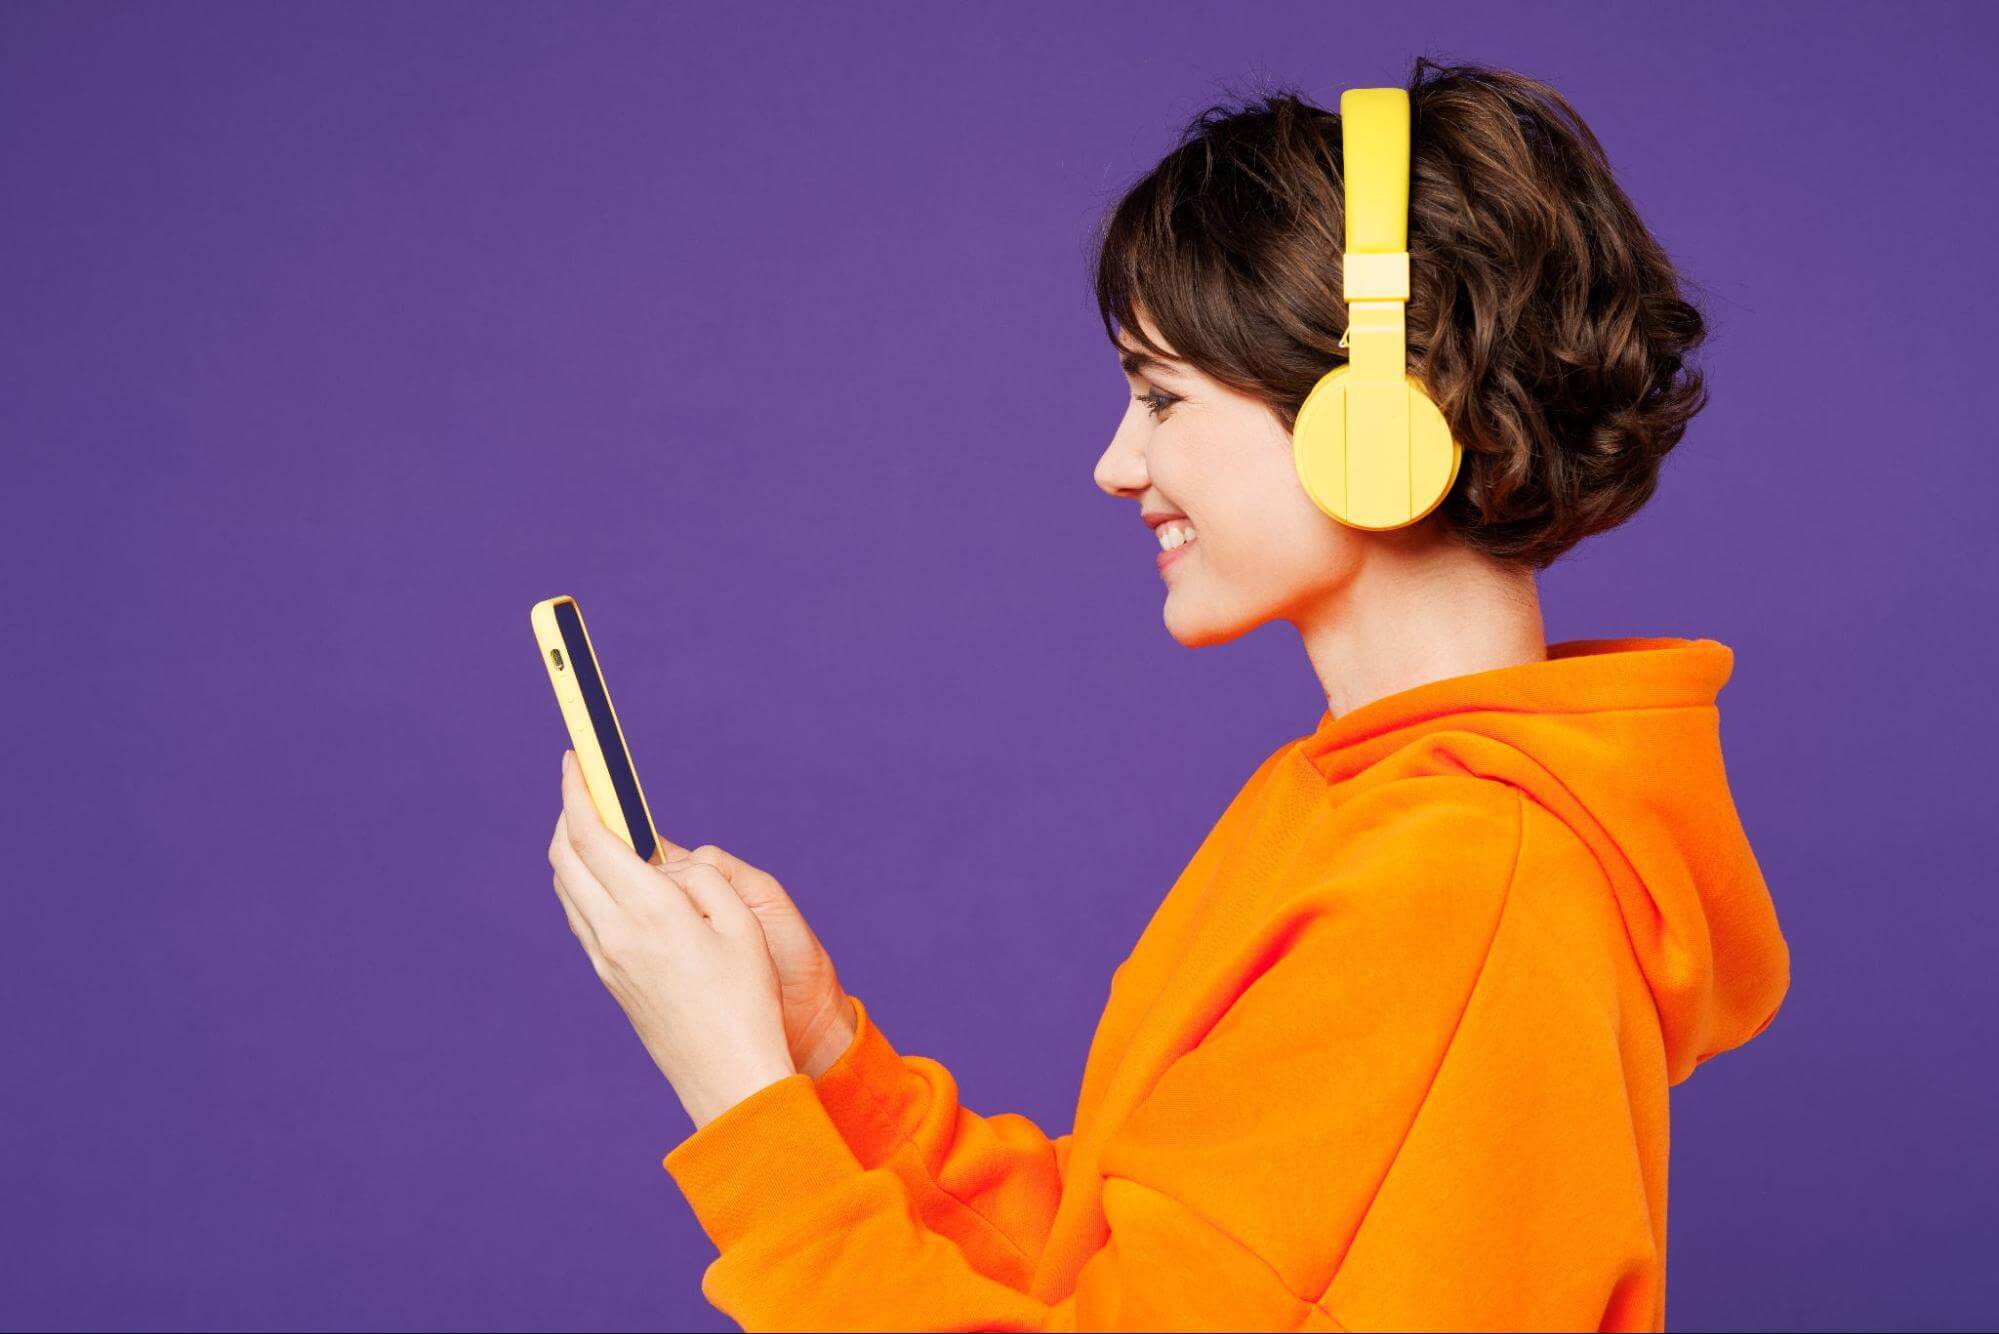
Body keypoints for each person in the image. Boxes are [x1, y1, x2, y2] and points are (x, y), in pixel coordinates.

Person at [546, 56, 1789, 1331]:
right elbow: (1143, 1274)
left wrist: (743, 1111)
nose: (1114, 461)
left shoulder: (1460, 874)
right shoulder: (1368, 814)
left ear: (1376, 418)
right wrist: (820, 1065)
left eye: (1160, 396)